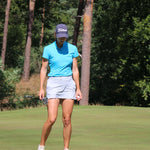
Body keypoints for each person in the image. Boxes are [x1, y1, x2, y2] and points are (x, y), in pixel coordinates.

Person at [38, 24, 82, 150]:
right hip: (53, 83)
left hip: (69, 83)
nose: (62, 38)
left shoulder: (72, 48)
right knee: (52, 119)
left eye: (64, 36)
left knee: (67, 120)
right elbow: (43, 69)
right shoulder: (48, 49)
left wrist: (78, 88)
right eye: (60, 36)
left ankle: (66, 148)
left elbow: (75, 69)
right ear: (55, 35)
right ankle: (41, 145)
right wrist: (41, 88)